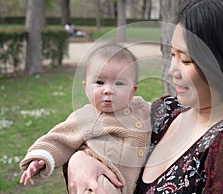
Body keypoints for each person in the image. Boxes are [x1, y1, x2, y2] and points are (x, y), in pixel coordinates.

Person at [64, 0, 223, 193]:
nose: (171, 70)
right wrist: (78, 160)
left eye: (186, 60)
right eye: (172, 55)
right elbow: (102, 143)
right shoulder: (165, 111)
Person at [19, 43, 151, 194]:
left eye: (119, 83)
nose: (108, 90)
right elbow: (59, 138)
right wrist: (39, 158)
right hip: (99, 180)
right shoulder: (88, 116)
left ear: (132, 90)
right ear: (86, 88)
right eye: (100, 82)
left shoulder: (140, 108)